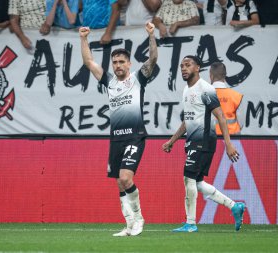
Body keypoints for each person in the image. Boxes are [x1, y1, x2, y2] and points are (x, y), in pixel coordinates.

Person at [79, 22, 158, 236]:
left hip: (135, 137)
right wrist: (83, 39)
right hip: (115, 139)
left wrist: (151, 35)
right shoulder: (109, 81)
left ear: (129, 64)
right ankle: (129, 224)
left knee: (125, 178)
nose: (117, 66)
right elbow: (89, 62)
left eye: (121, 62)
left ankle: (139, 218)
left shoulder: (138, 80)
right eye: (114, 62)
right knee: (119, 184)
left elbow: (152, 60)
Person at [162, 55, 245, 232]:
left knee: (188, 178)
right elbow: (187, 120)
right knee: (197, 182)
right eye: (181, 65)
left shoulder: (205, 89)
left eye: (188, 65)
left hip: (204, 140)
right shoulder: (186, 90)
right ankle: (234, 206)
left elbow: (221, 116)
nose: (184, 68)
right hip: (193, 140)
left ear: (197, 67)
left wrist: (228, 144)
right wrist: (172, 140)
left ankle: (190, 223)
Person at [210, 62, 243, 135]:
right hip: (232, 139)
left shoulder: (204, 95)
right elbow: (241, 123)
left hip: (211, 139)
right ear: (224, 76)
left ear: (211, 76)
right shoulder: (236, 96)